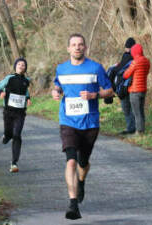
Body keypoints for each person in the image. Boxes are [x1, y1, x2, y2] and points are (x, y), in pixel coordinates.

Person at [51, 33, 113, 220]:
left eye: (80, 44)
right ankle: (73, 204)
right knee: (71, 160)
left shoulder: (95, 68)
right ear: (68, 48)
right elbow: (57, 85)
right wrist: (55, 91)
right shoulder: (61, 69)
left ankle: (81, 180)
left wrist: (95, 96)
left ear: (85, 48)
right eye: (73, 45)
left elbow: (109, 91)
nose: (77, 47)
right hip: (68, 121)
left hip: (90, 123)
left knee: (83, 163)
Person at [0, 58, 31, 173]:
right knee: (9, 133)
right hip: (8, 111)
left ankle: (14, 163)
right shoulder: (9, 78)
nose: (21, 66)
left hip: (20, 113)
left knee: (17, 135)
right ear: (15, 66)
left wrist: (28, 98)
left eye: (23, 65)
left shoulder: (26, 80)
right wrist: (1, 93)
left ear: (25, 68)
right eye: (19, 64)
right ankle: (6, 136)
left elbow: (26, 91)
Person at [108, 37, 136, 135]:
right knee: (133, 108)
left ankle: (131, 128)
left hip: (125, 87)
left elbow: (122, 71)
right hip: (132, 86)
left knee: (127, 108)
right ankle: (133, 128)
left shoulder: (128, 57)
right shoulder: (137, 57)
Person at [123, 43, 150, 135]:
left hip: (135, 90)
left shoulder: (135, 62)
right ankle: (142, 129)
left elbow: (126, 74)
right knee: (141, 111)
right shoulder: (146, 61)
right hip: (143, 89)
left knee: (136, 112)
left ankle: (139, 131)